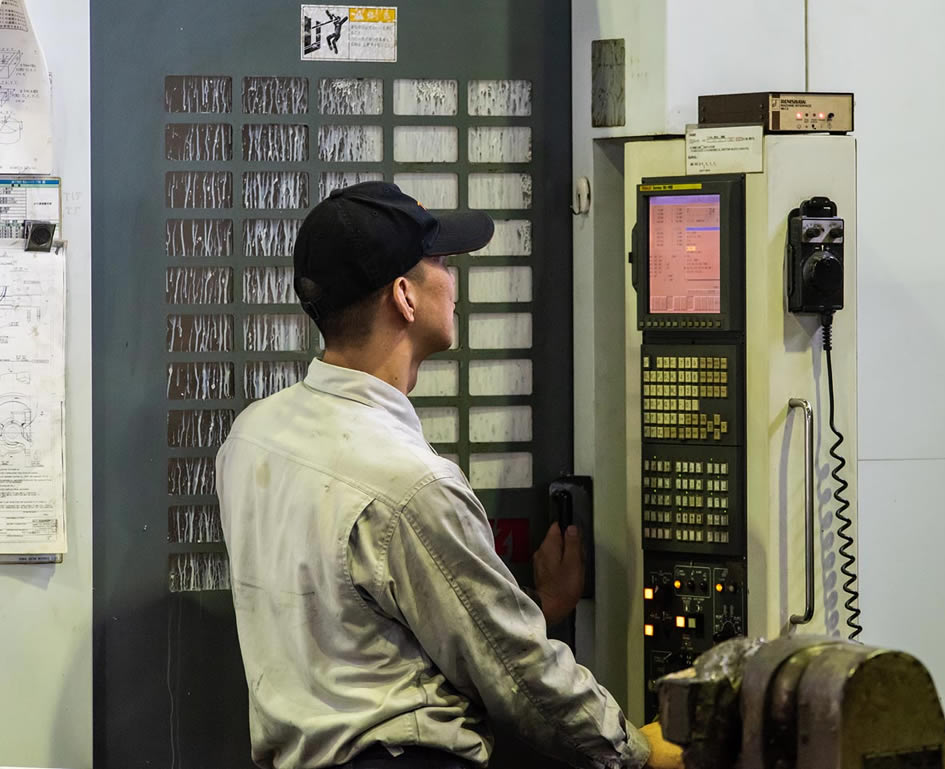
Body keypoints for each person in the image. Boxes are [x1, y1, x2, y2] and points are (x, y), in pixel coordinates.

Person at [216, 182, 682, 769]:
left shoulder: (252, 435)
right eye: (440, 261)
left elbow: (358, 629)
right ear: (404, 296)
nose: (453, 279)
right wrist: (637, 753)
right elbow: (519, 674)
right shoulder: (411, 484)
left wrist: (542, 605)